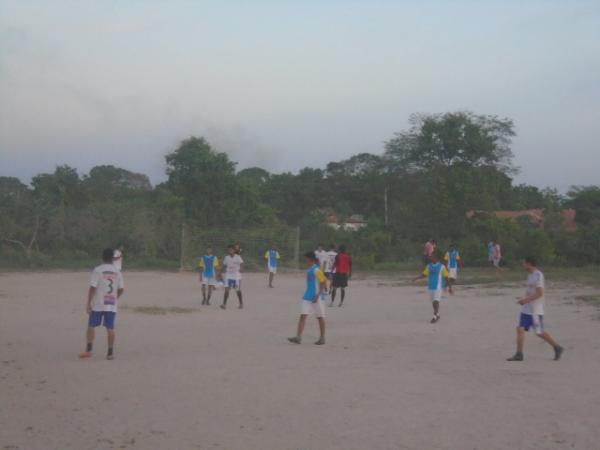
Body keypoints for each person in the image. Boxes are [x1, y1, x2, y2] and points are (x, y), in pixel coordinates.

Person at [507, 257, 564, 362]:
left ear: (529, 264)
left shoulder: (538, 275)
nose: (522, 265)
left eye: (523, 263)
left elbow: (540, 293)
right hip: (526, 309)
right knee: (520, 329)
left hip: (535, 311)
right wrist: (524, 300)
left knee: (539, 332)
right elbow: (531, 291)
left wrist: (526, 300)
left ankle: (557, 347)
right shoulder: (529, 275)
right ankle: (519, 354)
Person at [79, 248, 125, 360]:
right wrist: (115, 298)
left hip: (99, 303)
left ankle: (89, 350)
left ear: (102, 257)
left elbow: (92, 287)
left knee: (91, 326)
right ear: (113, 259)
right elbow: (121, 289)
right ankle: (110, 353)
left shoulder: (98, 270)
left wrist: (88, 303)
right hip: (111, 302)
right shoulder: (117, 271)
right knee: (110, 328)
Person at [288, 251, 327, 345]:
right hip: (307, 296)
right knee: (303, 315)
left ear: (311, 259)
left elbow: (323, 282)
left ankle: (322, 338)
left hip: (317, 297)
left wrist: (318, 295)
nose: (306, 261)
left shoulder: (316, 270)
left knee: (320, 317)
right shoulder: (310, 269)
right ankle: (298, 337)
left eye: (307, 259)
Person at [413, 253, 449, 324]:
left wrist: (448, 286)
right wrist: (416, 278)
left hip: (438, 287)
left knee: (436, 301)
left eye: (432, 256)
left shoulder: (442, 267)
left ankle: (434, 316)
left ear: (436, 257)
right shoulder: (429, 266)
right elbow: (424, 274)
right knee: (433, 302)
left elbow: (446, 277)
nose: (430, 258)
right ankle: (437, 314)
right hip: (430, 287)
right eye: (430, 257)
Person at [220, 244, 244, 309]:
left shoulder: (238, 257)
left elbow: (241, 263)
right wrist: (219, 272)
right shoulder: (226, 257)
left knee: (237, 290)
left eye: (231, 249)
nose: (230, 250)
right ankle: (224, 304)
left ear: (234, 250)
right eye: (229, 249)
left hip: (236, 276)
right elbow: (224, 265)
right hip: (228, 276)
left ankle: (241, 303)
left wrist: (241, 268)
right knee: (226, 290)